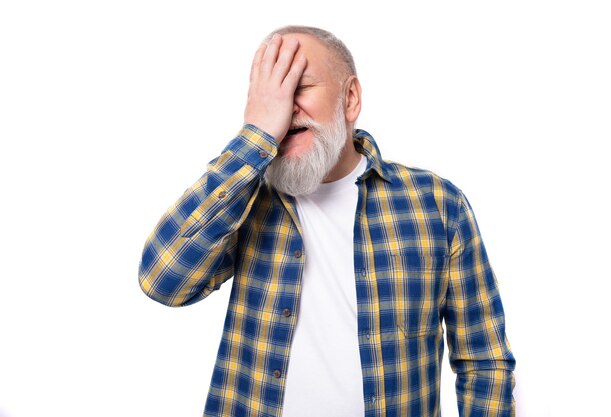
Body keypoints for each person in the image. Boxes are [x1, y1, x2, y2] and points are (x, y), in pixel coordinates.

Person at [138, 25, 516, 417]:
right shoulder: (243, 201)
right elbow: (162, 280)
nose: (284, 108)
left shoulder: (437, 205)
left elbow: (483, 360)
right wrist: (256, 137)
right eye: (269, 95)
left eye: (299, 86)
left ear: (350, 98)